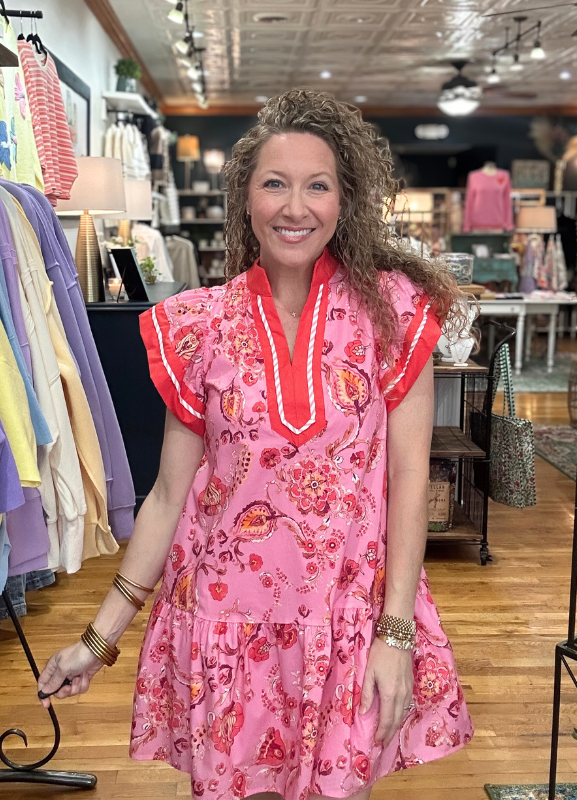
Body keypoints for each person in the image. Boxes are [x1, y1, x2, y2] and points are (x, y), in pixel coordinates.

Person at [38, 89, 473, 800]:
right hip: (224, 629)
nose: (295, 207)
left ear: (345, 201)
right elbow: (170, 496)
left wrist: (395, 635)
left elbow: (406, 480)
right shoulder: (199, 326)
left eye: (317, 185)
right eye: (275, 183)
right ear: (245, 197)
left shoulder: (393, 314)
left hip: (346, 626)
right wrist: (96, 639)